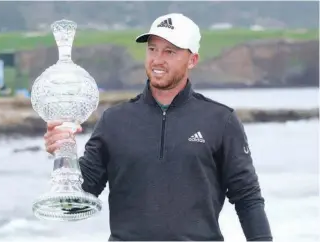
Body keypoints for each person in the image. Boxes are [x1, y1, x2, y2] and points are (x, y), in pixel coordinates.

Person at [44, 13, 273, 241]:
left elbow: (247, 197)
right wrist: (63, 156)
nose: (157, 59)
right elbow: (76, 202)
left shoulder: (221, 120)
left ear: (192, 60)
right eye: (152, 49)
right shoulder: (114, 120)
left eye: (169, 52)